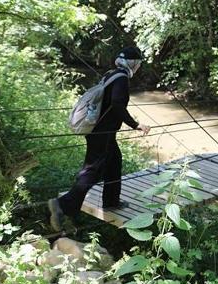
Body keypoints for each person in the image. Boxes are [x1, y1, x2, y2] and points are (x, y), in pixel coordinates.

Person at [48, 47, 151, 231]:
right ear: (133, 63)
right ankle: (61, 205)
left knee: (114, 162)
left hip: (101, 132)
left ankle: (111, 201)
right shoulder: (121, 79)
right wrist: (136, 125)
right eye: (138, 64)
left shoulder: (112, 74)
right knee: (92, 171)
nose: (138, 67)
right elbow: (117, 105)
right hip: (102, 133)